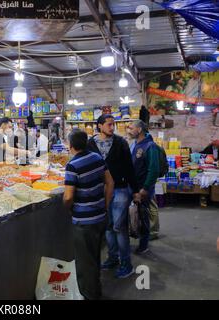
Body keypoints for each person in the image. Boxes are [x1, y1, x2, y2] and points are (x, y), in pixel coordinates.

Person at [63, 129, 114, 300]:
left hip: (84, 222)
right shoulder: (97, 158)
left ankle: (89, 295)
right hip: (100, 217)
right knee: (95, 257)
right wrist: (105, 205)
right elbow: (110, 183)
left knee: (85, 263)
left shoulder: (73, 165)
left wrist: (68, 208)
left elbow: (68, 196)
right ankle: (96, 290)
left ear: (71, 146)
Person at [87, 114, 139, 278]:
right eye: (109, 124)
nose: (112, 127)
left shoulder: (120, 142)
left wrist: (135, 190)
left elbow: (129, 167)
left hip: (120, 189)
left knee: (119, 227)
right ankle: (112, 258)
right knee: (108, 226)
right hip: (101, 190)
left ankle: (126, 263)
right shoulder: (90, 144)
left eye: (113, 124)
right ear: (100, 126)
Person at [127, 120, 160, 254]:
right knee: (137, 215)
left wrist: (145, 189)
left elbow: (154, 170)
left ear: (139, 129)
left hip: (143, 189)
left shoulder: (150, 146)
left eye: (131, 128)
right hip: (135, 187)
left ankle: (144, 245)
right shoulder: (135, 144)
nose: (129, 130)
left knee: (144, 216)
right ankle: (138, 239)